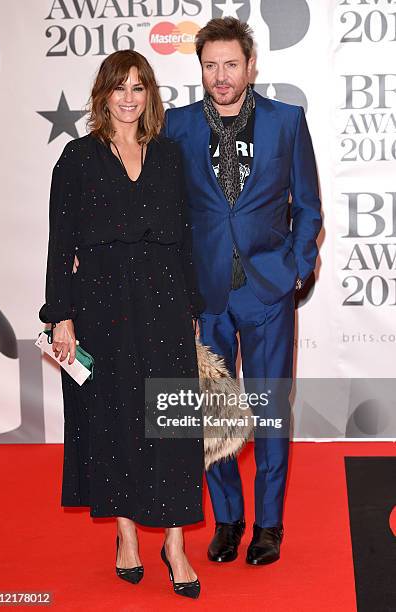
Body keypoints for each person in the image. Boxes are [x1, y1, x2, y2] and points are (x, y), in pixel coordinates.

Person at [39, 50, 204, 599]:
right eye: (120, 87)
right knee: (115, 420)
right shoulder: (78, 158)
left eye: (139, 87)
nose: (130, 97)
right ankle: (127, 534)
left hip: (164, 299)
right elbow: (60, 245)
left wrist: (193, 310)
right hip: (101, 305)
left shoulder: (168, 156)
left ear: (149, 94)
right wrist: (59, 314)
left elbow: (184, 237)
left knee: (172, 424)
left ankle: (175, 543)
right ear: (103, 94)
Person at [164, 17, 322, 566]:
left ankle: (269, 525)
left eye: (231, 64)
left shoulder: (286, 122)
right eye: (211, 65)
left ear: (252, 66)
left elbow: (308, 207)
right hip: (204, 294)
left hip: (268, 290)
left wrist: (297, 270)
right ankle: (228, 520)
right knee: (212, 413)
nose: (221, 76)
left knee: (271, 411)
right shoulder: (177, 126)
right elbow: (167, 212)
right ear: (201, 68)